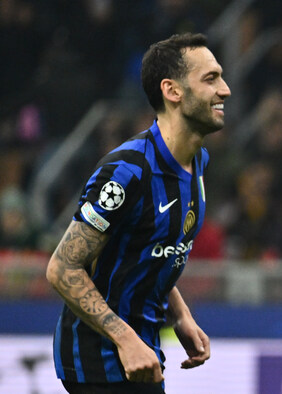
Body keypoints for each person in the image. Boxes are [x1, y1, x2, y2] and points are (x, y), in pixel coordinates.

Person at [45, 32, 231, 394]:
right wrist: (126, 340)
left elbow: (152, 249)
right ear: (172, 91)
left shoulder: (198, 162)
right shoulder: (127, 172)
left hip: (143, 351)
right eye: (210, 78)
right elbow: (62, 267)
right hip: (98, 361)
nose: (224, 90)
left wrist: (180, 315)